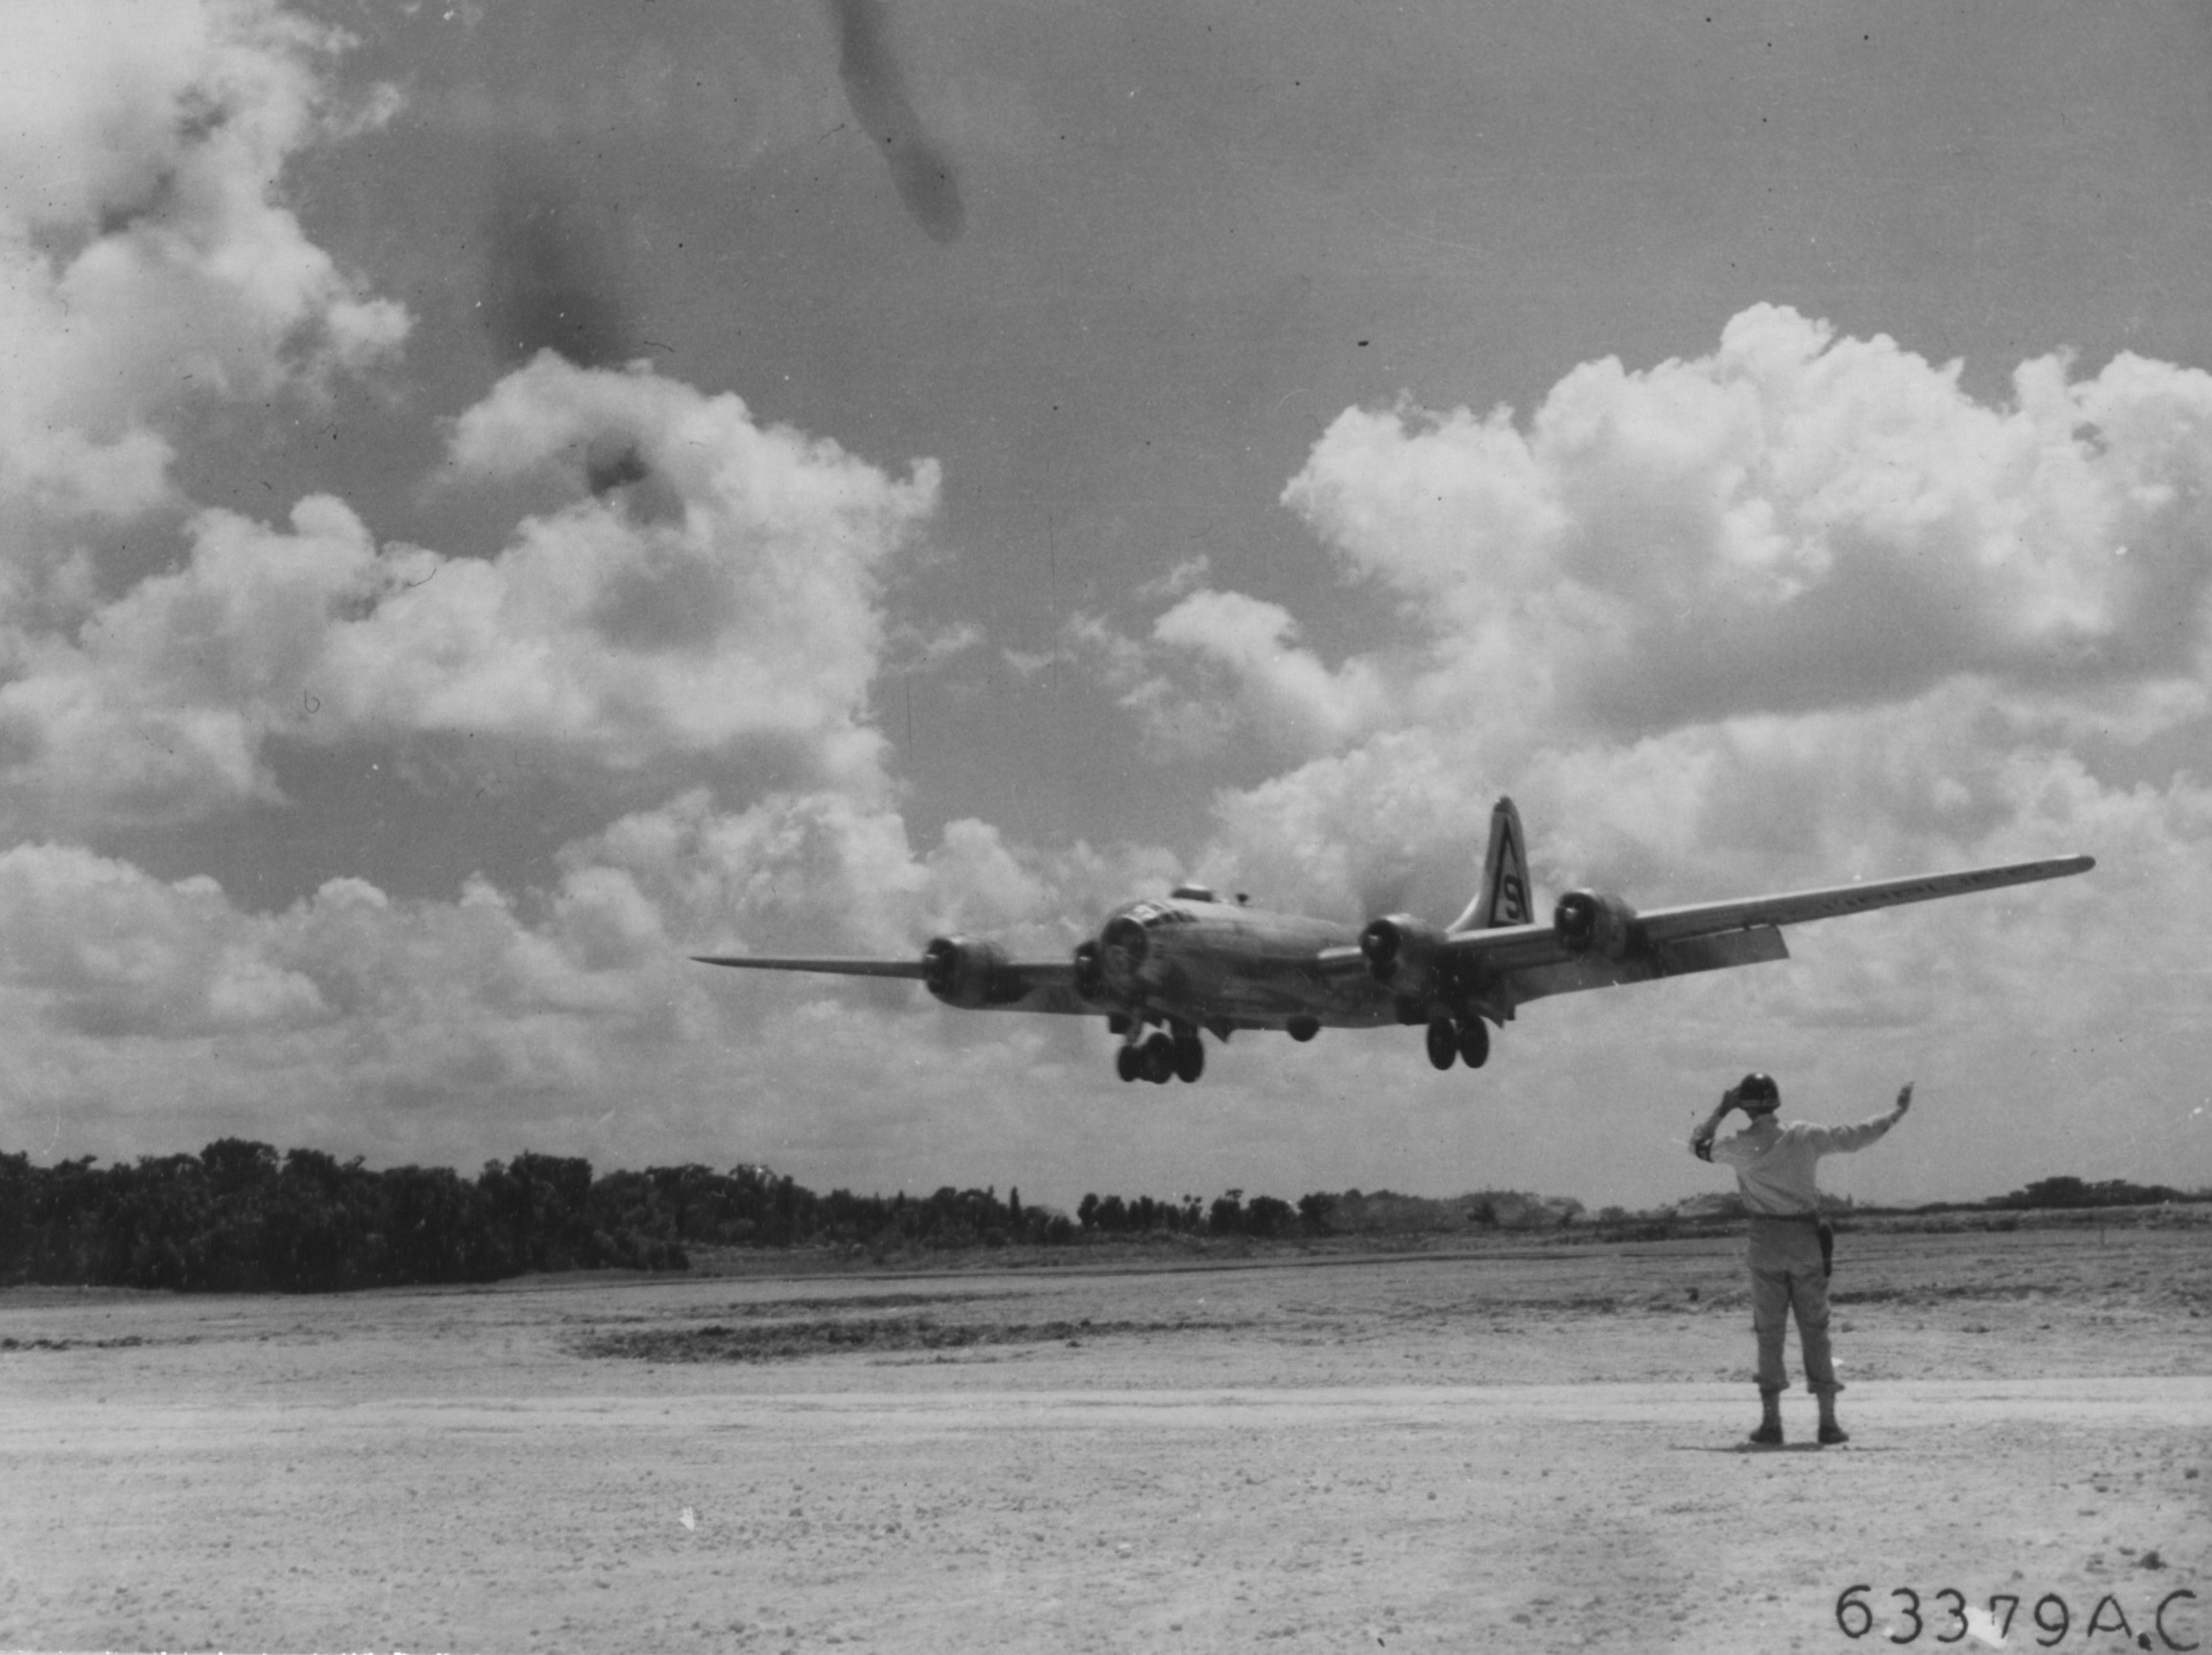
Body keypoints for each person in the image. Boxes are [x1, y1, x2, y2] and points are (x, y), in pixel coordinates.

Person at [1689, 1072, 1913, 1446]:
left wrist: (1722, 1109)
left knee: (1769, 1332)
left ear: (1746, 1107)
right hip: (1806, 1238)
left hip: (1765, 1240)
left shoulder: (1738, 1147)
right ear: (1777, 1102)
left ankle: (1772, 1424)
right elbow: (1854, 1136)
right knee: (1815, 1329)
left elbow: (1698, 1145)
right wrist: (1895, 1113)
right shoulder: (1806, 1136)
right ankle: (1828, 1422)